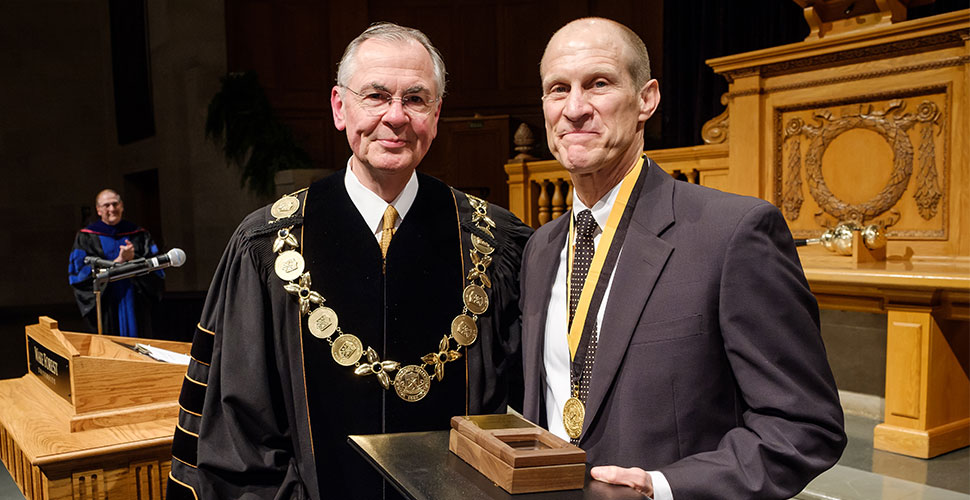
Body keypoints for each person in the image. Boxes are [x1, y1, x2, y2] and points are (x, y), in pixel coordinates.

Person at [167, 23, 531, 500]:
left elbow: (523, 416)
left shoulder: (495, 244)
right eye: (376, 96)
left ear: (437, 115)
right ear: (340, 107)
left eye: (416, 99)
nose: (395, 117)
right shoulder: (267, 247)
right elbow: (237, 439)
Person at [519, 18, 846, 499]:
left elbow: (803, 425)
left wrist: (664, 486)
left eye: (599, 84)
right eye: (557, 90)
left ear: (646, 99)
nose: (574, 109)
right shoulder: (540, 247)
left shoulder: (732, 233)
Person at [68, 189, 163, 337]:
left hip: (135, 300)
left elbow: (157, 270)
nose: (112, 209)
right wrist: (117, 262)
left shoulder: (139, 234)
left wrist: (133, 257)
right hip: (107, 303)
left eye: (115, 204)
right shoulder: (86, 237)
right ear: (98, 210)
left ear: (122, 206)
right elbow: (78, 273)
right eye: (106, 205)